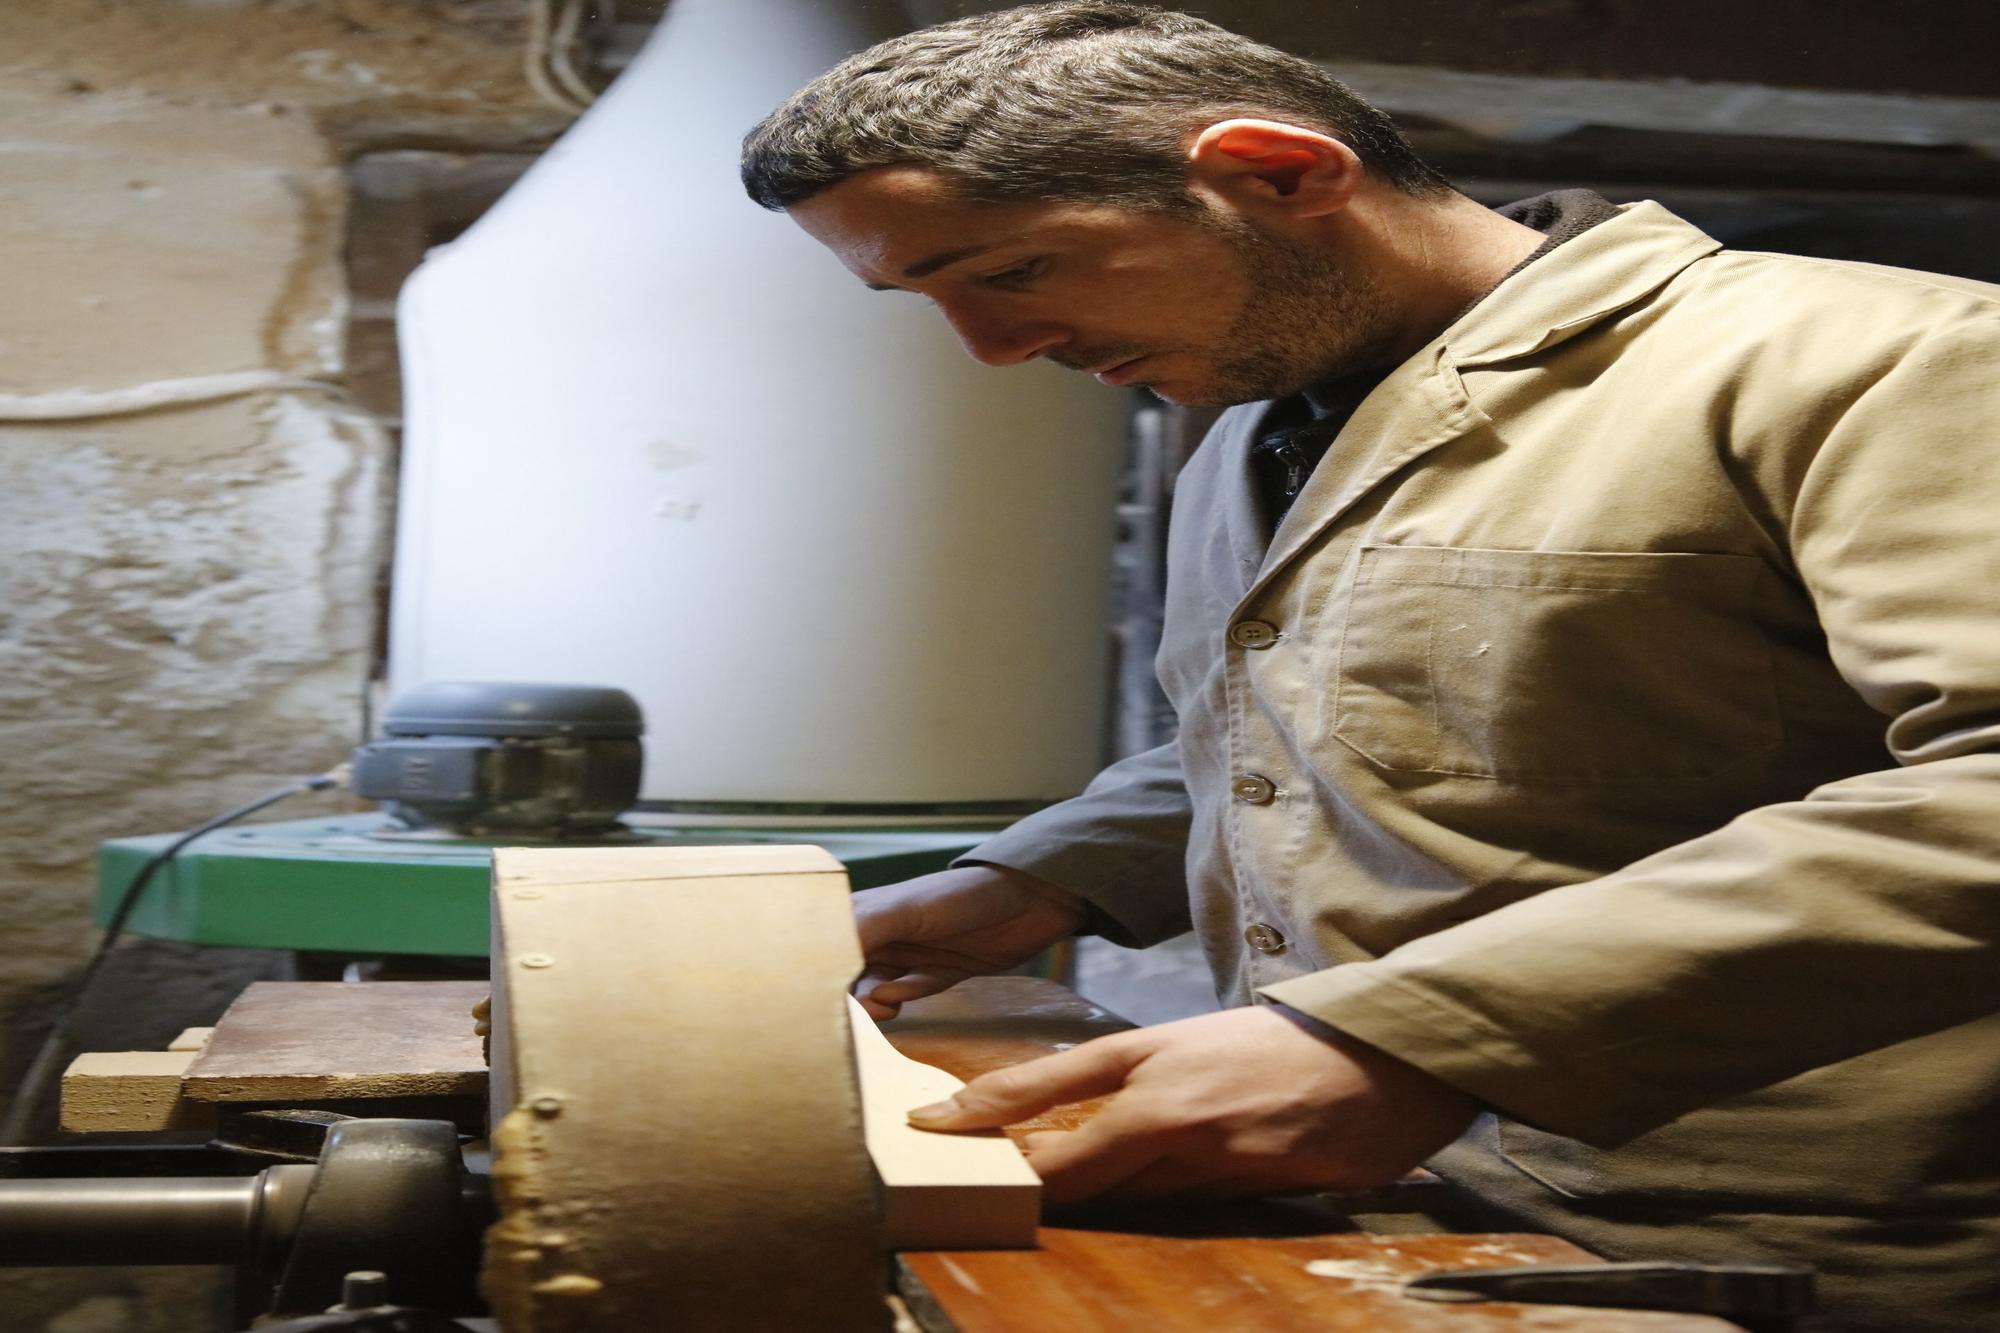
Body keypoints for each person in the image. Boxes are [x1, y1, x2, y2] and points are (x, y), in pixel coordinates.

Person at [740, 5, 2000, 1328]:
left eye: (1006, 271)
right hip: (1387, 1214)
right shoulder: (1246, 423)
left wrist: (1406, 1036)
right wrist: (1031, 879)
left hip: (1787, 1246)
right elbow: (1344, 709)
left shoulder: (1884, 361)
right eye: (922, 299)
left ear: (1281, 176)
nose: (994, 352)